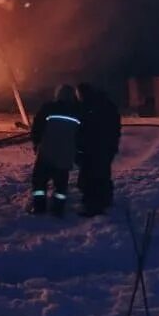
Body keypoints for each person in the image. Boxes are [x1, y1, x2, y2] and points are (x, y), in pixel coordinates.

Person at [28, 84, 82, 217]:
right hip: (65, 154)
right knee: (61, 184)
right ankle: (58, 209)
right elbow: (82, 135)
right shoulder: (78, 112)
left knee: (39, 181)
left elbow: (37, 127)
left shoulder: (48, 108)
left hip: (47, 152)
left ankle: (39, 207)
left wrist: (36, 143)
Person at [76, 82, 121, 217]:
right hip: (106, 147)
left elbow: (85, 129)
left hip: (94, 149)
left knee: (90, 178)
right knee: (103, 174)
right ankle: (105, 199)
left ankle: (93, 206)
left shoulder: (89, 107)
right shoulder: (107, 105)